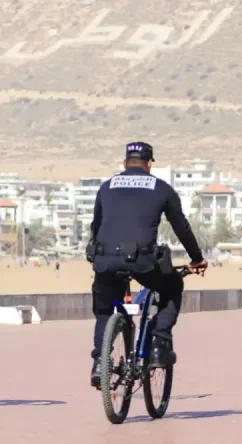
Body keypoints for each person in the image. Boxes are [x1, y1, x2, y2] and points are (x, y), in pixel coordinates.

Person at [86, 141, 208, 389]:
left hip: (106, 259)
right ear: (150, 164)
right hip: (142, 262)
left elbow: (95, 227)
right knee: (172, 287)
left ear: (124, 163)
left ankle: (100, 362)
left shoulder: (106, 187)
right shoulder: (161, 188)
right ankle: (159, 345)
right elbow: (181, 227)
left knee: (104, 312)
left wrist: (96, 257)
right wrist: (197, 258)